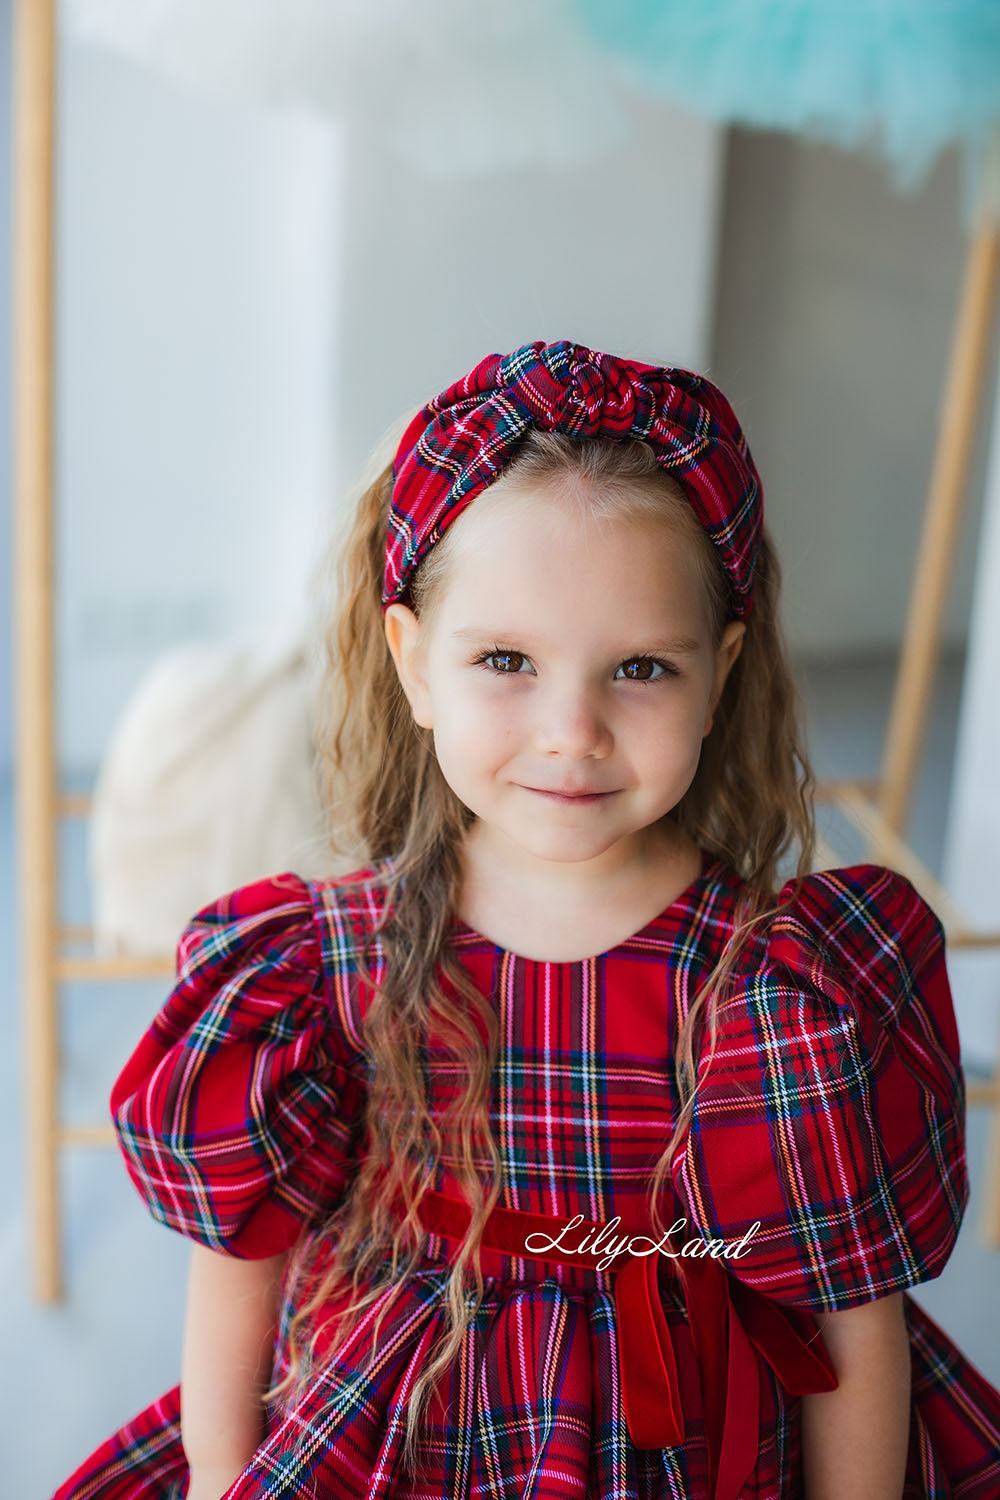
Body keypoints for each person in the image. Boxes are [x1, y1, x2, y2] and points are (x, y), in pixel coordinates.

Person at [51, 340, 1000, 1500]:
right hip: (401, 1425)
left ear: (720, 670)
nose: (571, 730)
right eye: (505, 659)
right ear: (412, 663)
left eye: (640, 668)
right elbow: (239, 1266)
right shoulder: (323, 963)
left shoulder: (782, 985)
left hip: (692, 1440)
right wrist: (213, 1473)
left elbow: (853, 1322)